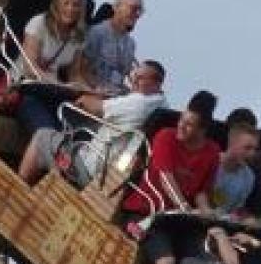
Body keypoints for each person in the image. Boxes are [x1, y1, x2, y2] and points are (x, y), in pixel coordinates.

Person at [129, 91, 222, 264]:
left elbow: (201, 193)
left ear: (202, 130)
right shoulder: (166, 137)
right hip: (149, 214)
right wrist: (182, 205)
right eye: (182, 119)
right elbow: (165, 177)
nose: (181, 125)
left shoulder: (212, 152)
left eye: (189, 125)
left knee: (202, 261)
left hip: (178, 221)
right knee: (167, 263)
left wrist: (207, 213)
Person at [18, 58, 167, 185]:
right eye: (134, 76)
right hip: (115, 174)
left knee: (42, 136)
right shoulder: (162, 105)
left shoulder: (138, 102)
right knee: (77, 134)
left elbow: (87, 106)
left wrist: (90, 93)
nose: (134, 81)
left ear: (157, 84)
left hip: (90, 170)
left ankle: (19, 185)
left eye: (140, 78)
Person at [14, 0, 92, 131]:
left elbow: (74, 74)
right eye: (66, 3)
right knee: (48, 131)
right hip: (29, 89)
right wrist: (56, 83)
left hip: (55, 93)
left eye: (76, 5)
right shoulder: (39, 23)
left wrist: (88, 88)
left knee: (76, 131)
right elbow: (30, 68)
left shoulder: (79, 35)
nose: (70, 9)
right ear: (56, 5)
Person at [81, 0, 142, 93]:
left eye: (139, 10)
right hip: (94, 92)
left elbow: (122, 77)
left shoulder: (130, 44)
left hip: (114, 93)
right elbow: (81, 70)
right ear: (116, 7)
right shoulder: (97, 33)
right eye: (133, 8)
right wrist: (99, 89)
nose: (137, 14)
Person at [209, 122, 259, 216]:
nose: (252, 154)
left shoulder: (249, 177)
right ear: (232, 144)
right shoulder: (211, 163)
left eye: (254, 149)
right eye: (247, 148)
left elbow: (236, 210)